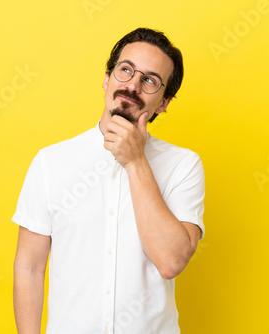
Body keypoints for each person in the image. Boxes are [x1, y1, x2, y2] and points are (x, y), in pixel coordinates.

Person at [12, 27, 205, 334]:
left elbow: (171, 261)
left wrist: (135, 160)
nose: (132, 85)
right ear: (107, 78)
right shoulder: (51, 162)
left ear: (164, 102)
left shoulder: (183, 166)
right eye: (125, 70)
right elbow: (29, 267)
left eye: (150, 80)